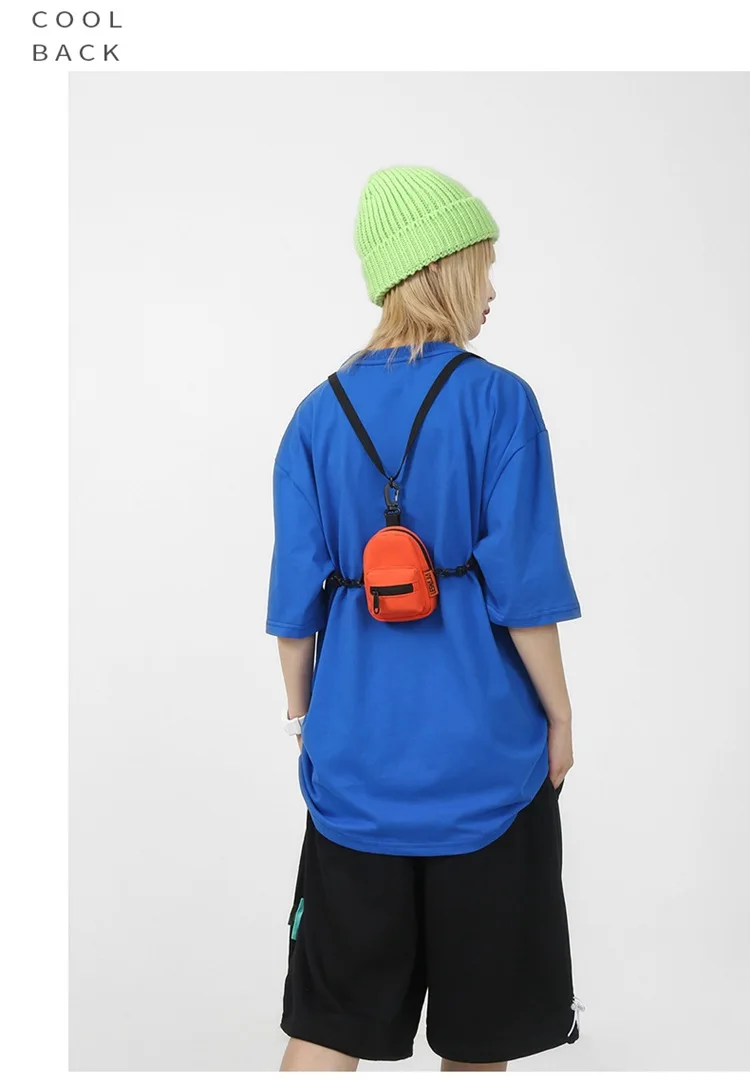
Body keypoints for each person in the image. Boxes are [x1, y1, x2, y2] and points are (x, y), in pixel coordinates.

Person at [265, 165, 584, 1072]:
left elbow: (293, 612)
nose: (492, 288)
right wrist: (561, 717)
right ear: (441, 268)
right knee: (480, 1042)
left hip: (355, 774)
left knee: (325, 1029)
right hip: (488, 772)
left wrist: (306, 720)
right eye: (484, 265)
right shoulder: (501, 401)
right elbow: (525, 593)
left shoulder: (314, 417)